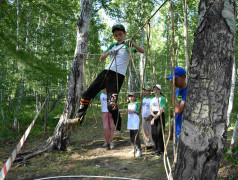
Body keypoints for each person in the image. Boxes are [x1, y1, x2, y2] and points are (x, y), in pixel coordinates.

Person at [75, 24, 144, 138]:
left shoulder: (126, 45)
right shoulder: (113, 45)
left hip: (117, 76)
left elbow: (141, 51)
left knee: (111, 104)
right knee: (87, 94)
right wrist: (108, 53)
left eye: (120, 34)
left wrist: (131, 44)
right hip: (106, 72)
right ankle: (80, 117)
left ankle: (118, 129)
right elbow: (102, 57)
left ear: (125, 33)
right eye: (116, 35)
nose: (118, 37)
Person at [167, 67, 187, 151]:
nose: (173, 82)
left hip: (185, 132)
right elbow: (175, 114)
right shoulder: (177, 92)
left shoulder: (188, 91)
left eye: (175, 78)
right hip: (177, 130)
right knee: (176, 156)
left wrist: (172, 91)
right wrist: (172, 130)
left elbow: (178, 110)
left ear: (183, 77)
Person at [150, 84, 166, 157]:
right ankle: (156, 149)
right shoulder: (152, 99)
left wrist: (154, 118)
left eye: (156, 89)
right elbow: (150, 108)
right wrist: (153, 115)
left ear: (159, 90)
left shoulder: (162, 98)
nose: (155, 91)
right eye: (154, 89)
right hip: (154, 115)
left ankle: (161, 150)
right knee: (154, 134)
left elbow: (161, 110)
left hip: (160, 116)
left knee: (160, 133)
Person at [127, 92, 142, 157]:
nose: (130, 97)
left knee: (136, 136)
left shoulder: (136, 104)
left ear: (134, 97)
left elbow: (139, 112)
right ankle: (134, 148)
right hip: (130, 121)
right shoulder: (128, 104)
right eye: (129, 96)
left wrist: (133, 111)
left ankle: (139, 150)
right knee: (131, 136)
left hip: (135, 121)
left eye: (132, 96)